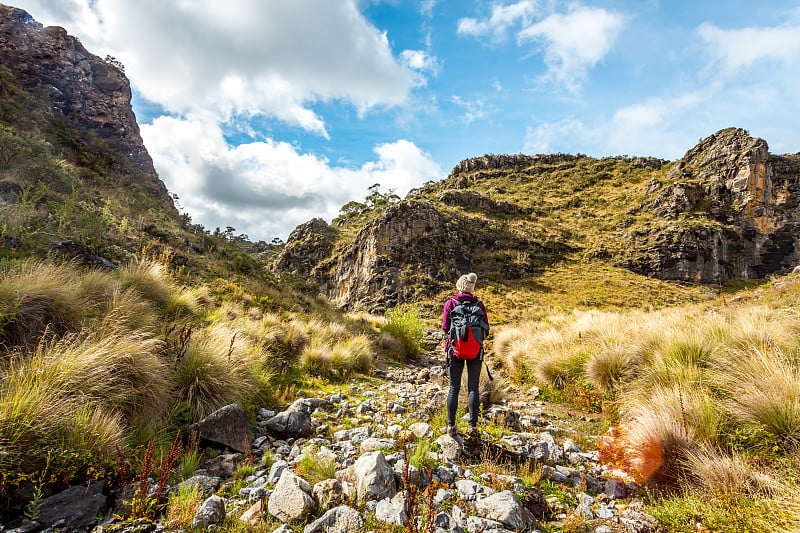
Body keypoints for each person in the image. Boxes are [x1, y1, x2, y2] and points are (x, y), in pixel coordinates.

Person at [442, 272, 489, 437]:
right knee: (473, 387)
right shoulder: (480, 305)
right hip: (476, 351)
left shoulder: (451, 303)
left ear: (459, 286)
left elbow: (445, 327)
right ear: (471, 287)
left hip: (455, 349)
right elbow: (486, 330)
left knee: (454, 388)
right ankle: (473, 427)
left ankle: (451, 426)